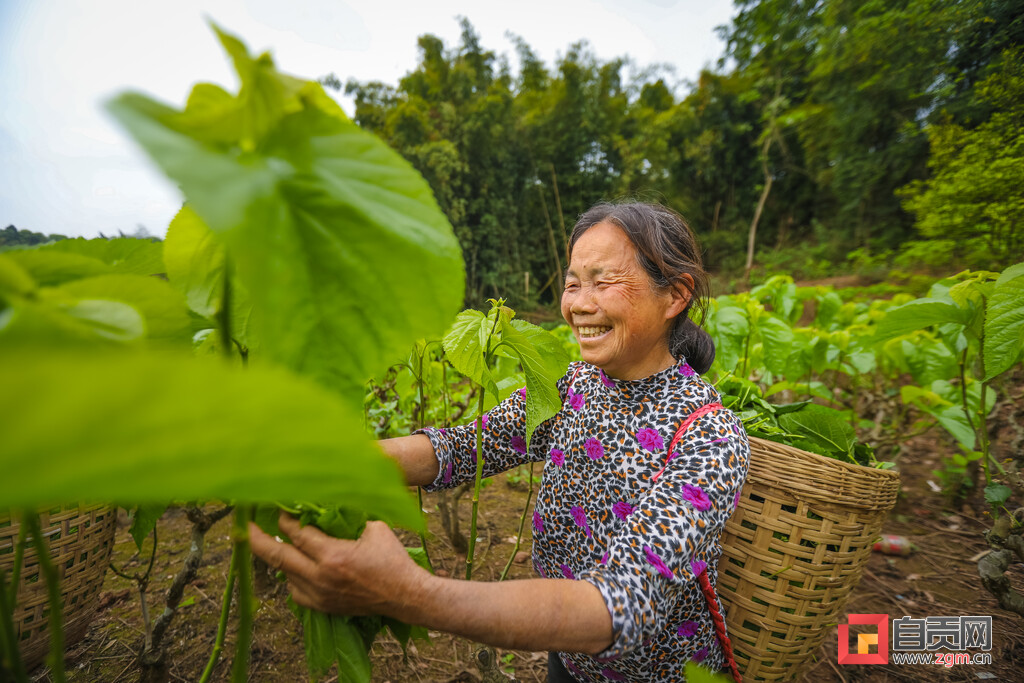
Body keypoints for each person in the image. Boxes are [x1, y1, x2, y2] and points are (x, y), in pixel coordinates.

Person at [250, 201, 750, 682]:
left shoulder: (708, 435)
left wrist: (410, 593)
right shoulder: (573, 386)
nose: (578, 304)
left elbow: (619, 604)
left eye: (604, 282)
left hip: (655, 674)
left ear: (675, 295)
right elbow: (466, 447)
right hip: (570, 654)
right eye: (573, 283)